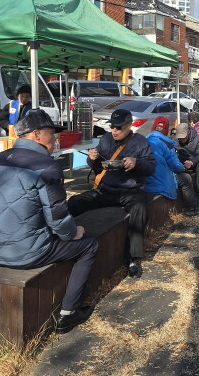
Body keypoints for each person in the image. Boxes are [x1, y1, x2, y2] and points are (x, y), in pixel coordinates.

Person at [0, 109, 97, 331]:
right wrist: (73, 233)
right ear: (37, 134)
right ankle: (69, 313)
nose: (55, 140)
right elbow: (58, 220)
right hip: (26, 253)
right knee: (88, 245)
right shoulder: (47, 167)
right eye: (52, 134)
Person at [68, 108, 155, 278]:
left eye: (118, 127)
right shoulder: (106, 139)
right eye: (112, 127)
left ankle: (132, 258)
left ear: (129, 125)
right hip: (106, 189)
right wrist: (91, 158)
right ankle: (63, 240)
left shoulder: (141, 142)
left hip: (130, 190)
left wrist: (137, 163)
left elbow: (151, 168)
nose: (114, 131)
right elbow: (98, 166)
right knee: (74, 202)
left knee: (140, 208)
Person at [146, 116, 199, 216]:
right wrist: (183, 167)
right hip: (160, 182)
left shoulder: (145, 140)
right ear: (166, 129)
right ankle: (192, 206)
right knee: (186, 178)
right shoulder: (166, 144)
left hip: (146, 182)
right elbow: (176, 166)